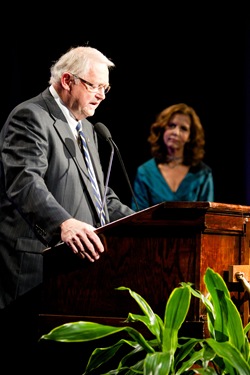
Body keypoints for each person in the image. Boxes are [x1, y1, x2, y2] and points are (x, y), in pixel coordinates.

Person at [0, 46, 134, 373]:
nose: (102, 96)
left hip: (78, 278)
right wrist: (64, 223)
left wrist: (143, 222)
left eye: (106, 88)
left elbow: (101, 197)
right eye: (95, 86)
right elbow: (24, 181)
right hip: (36, 275)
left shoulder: (87, 129)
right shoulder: (31, 116)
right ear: (67, 80)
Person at [131, 103, 214, 211]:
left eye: (183, 128)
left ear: (190, 136)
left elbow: (208, 216)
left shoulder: (203, 174)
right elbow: (137, 216)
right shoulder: (145, 172)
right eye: (171, 125)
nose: (176, 132)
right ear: (162, 129)